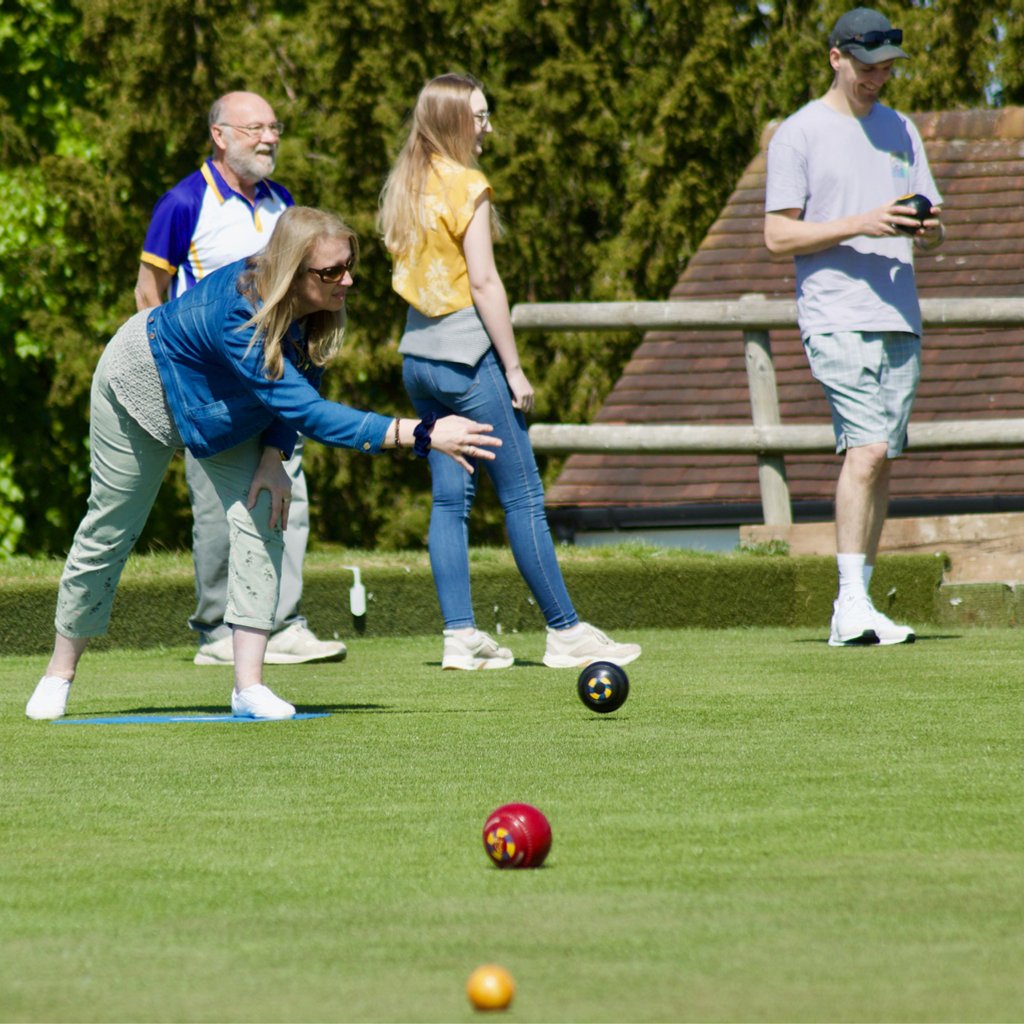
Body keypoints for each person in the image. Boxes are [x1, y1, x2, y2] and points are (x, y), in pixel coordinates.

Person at [25, 207, 500, 721]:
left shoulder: (319, 306)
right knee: (113, 527)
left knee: (263, 516)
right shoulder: (239, 312)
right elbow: (310, 411)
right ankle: (58, 674)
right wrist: (424, 433)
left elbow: (303, 381)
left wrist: (275, 454)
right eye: (332, 271)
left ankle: (248, 687)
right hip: (140, 384)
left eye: (349, 265)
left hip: (223, 410)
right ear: (293, 272)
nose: (348, 279)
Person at [378, 73, 641, 670]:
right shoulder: (468, 184)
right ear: (452, 121)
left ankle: (460, 637)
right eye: (479, 115)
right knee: (523, 494)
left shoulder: (405, 184)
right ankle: (565, 631)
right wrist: (515, 368)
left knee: (450, 503)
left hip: (417, 359)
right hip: (468, 360)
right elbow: (484, 282)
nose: (488, 125)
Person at [136, 90, 341, 667]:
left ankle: (285, 624)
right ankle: (216, 632)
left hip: (277, 381)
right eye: (255, 128)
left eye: (274, 127)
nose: (269, 137)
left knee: (285, 498)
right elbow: (148, 295)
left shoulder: (284, 203)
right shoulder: (182, 203)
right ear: (220, 135)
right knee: (218, 512)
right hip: (209, 390)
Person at [764, 7, 945, 647]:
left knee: (882, 460)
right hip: (835, 312)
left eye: (888, 68)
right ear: (836, 58)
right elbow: (777, 234)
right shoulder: (799, 134)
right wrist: (859, 223)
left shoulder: (901, 130)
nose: (878, 79)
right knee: (866, 450)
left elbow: (935, 227)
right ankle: (848, 601)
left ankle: (858, 606)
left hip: (899, 315)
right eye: (868, 68)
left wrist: (926, 231)